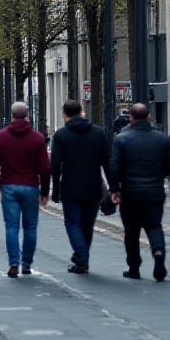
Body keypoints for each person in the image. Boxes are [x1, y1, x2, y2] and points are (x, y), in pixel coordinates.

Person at [0, 102, 50, 278]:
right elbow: (45, 169)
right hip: (30, 186)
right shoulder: (37, 138)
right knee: (30, 227)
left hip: (8, 185)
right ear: (27, 115)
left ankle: (13, 262)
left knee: (12, 226)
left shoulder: (0, 137)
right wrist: (44, 192)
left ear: (12, 116)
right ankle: (27, 264)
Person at [109, 103, 169, 281]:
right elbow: (168, 165)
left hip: (130, 192)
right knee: (154, 226)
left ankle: (134, 266)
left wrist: (114, 190)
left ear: (131, 118)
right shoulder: (162, 139)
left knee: (132, 230)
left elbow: (114, 167)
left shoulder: (122, 139)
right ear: (149, 117)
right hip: (154, 191)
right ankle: (158, 252)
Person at [50, 100, 109, 274]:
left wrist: (54, 188)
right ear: (82, 112)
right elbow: (107, 161)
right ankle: (81, 258)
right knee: (87, 225)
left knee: (72, 223)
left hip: (70, 187)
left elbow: (55, 165)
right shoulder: (99, 133)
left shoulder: (61, 135)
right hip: (93, 186)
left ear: (64, 114)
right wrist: (113, 187)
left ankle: (81, 257)